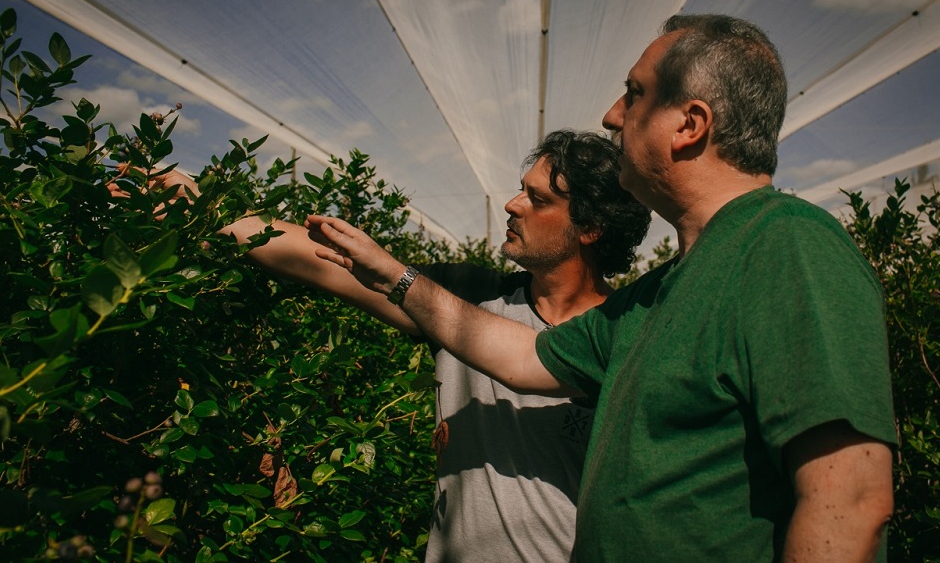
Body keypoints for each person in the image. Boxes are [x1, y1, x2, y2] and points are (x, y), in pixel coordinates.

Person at [307, 14, 897, 561]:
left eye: (635, 94)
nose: (614, 115)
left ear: (690, 125)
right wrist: (396, 276)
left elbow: (849, 504)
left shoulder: (785, 244)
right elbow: (521, 355)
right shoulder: (655, 295)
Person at [125, 129, 651, 562]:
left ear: (591, 229)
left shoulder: (627, 337)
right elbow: (316, 260)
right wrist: (202, 211)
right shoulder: (466, 299)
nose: (512, 205)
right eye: (520, 188)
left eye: (537, 199)